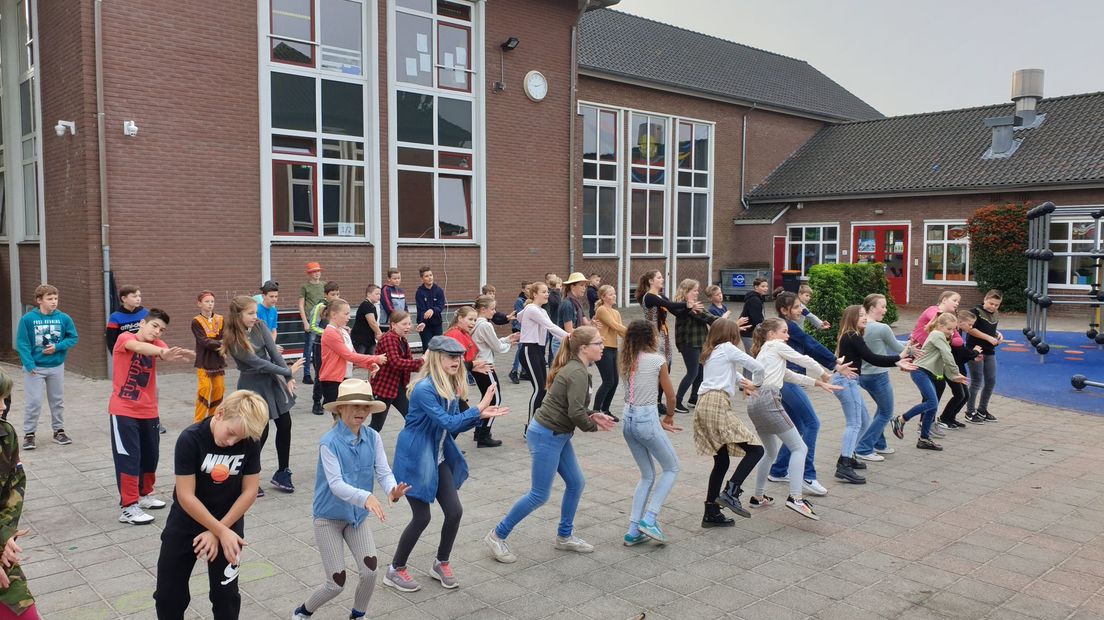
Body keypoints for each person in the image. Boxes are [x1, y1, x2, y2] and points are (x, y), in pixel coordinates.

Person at [385, 337, 508, 592]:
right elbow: (450, 423)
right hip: (416, 458)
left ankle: (441, 563)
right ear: (436, 358)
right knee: (422, 517)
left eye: (459, 357)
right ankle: (395, 569)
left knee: (454, 511)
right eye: (451, 356)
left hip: (437, 454)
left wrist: (478, 415)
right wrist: (478, 409)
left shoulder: (449, 385)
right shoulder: (424, 389)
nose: (457, 361)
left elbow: (454, 423)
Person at [485, 327, 614, 564]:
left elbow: (573, 407)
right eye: (598, 342)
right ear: (584, 348)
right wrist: (593, 425)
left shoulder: (579, 369)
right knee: (539, 495)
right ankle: (496, 535)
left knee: (576, 483)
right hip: (547, 434)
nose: (602, 346)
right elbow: (575, 412)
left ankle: (564, 536)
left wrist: (593, 414)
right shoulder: (576, 372)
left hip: (557, 433)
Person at [292, 379, 411, 620]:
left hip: (357, 518)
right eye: (354, 406)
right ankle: (302, 612)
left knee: (370, 572)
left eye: (366, 407)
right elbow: (336, 485)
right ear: (339, 408)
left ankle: (358, 615)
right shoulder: (329, 442)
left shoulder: (373, 437)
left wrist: (391, 490)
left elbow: (383, 470)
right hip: (328, 519)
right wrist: (366, 496)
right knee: (336, 583)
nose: (361, 412)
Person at [152, 390, 269, 620]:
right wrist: (220, 531)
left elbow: (250, 491)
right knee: (169, 596)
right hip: (186, 522)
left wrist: (221, 532)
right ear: (220, 413)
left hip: (228, 523)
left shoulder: (249, 442)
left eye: (239, 438)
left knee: (226, 598)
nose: (232, 442)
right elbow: (186, 496)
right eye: (231, 433)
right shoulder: (190, 439)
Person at [110, 308, 196, 524]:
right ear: (142, 324)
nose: (158, 332)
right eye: (154, 326)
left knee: (150, 456)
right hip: (123, 410)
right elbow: (138, 347)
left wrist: (180, 353)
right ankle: (128, 507)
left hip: (149, 411)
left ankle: (144, 495)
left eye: (162, 329)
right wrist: (162, 353)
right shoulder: (125, 337)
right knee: (129, 458)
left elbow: (164, 351)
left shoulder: (158, 345)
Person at [751, 319, 840, 520]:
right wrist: (824, 373)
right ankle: (796, 498)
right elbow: (804, 359)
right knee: (800, 448)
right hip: (769, 400)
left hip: (754, 403)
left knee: (771, 451)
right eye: (784, 331)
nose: (787, 336)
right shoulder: (776, 345)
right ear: (772, 334)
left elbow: (790, 375)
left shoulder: (764, 351)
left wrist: (817, 383)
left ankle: (758, 496)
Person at [768, 292, 855, 497]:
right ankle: (807, 476)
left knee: (797, 426)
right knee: (812, 424)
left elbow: (808, 347)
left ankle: (779, 470)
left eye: (800, 307)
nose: (801, 311)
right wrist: (833, 364)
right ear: (784, 310)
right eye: (797, 307)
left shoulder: (787, 325)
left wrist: (831, 363)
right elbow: (809, 344)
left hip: (785, 380)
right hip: (787, 381)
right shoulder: (786, 327)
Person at [222, 295, 304, 494]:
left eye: (255, 312)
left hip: (272, 382)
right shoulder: (233, 337)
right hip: (252, 385)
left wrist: (288, 378)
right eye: (250, 313)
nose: (254, 316)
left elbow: (274, 354)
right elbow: (256, 362)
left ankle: (283, 472)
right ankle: (246, 474)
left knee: (285, 424)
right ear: (238, 314)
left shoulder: (259, 326)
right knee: (260, 432)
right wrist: (287, 372)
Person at [831, 305, 916, 484]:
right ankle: (844, 465)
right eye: (861, 315)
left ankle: (850, 455)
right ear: (852, 318)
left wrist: (897, 361)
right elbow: (872, 358)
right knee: (854, 424)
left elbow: (869, 357)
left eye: (864, 315)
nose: (864, 318)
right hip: (846, 382)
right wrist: (898, 360)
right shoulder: (853, 336)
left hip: (848, 381)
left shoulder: (852, 335)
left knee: (863, 421)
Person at [693, 319, 765, 526]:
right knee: (756, 450)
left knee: (722, 460)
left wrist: (745, 385)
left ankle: (711, 513)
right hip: (716, 404)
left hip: (704, 405)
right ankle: (731, 492)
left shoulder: (712, 351)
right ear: (731, 336)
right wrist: (756, 383)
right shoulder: (727, 348)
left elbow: (731, 374)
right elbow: (757, 366)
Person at [618, 321, 681, 544]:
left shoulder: (626, 359)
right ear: (651, 338)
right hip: (646, 418)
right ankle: (650, 518)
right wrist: (669, 416)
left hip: (628, 418)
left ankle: (633, 530)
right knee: (672, 468)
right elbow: (671, 396)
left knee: (647, 475)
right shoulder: (657, 360)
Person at [893, 312, 969, 451]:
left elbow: (942, 361)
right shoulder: (937, 335)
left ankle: (924, 439)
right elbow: (947, 355)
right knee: (932, 402)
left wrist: (953, 376)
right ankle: (901, 419)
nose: (951, 332)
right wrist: (955, 372)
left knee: (932, 407)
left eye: (954, 329)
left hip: (929, 373)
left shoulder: (942, 337)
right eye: (949, 329)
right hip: (920, 372)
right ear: (940, 325)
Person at [16, 284, 79, 451]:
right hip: (34, 368)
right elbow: (22, 343)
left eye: (56, 298)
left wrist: (58, 348)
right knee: (34, 402)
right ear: (39, 300)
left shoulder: (64, 318)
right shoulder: (27, 319)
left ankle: (58, 431)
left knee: (57, 400)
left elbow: (73, 337)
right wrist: (29, 364)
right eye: (49, 299)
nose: (54, 302)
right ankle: (29, 434)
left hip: (56, 367)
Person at [0, 371, 39, 620]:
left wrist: (5, 538)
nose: (3, 407)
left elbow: (15, 486)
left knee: (24, 612)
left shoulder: (5, 434)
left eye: (5, 398)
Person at [855, 294, 909, 462]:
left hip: (863, 376)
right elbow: (898, 349)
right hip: (878, 375)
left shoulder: (859, 326)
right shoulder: (882, 328)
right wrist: (914, 346)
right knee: (886, 412)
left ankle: (879, 443)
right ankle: (864, 448)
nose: (885, 310)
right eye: (883, 306)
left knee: (882, 408)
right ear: (871, 308)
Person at [318, 298, 387, 412]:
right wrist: (375, 358)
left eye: (349, 313)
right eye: (345, 314)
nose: (349, 317)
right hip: (333, 381)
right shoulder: (330, 332)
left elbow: (354, 356)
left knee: (344, 419)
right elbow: (348, 355)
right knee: (342, 418)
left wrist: (370, 365)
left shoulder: (343, 331)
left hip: (344, 379)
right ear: (334, 315)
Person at [517, 282, 568, 432]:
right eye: (544, 292)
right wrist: (571, 336)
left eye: (547, 291)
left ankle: (538, 423)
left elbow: (520, 317)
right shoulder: (532, 309)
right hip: (529, 350)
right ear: (534, 294)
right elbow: (550, 327)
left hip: (538, 351)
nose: (547, 294)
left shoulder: (538, 310)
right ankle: (530, 427)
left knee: (543, 388)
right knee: (539, 389)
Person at [672, 278, 729, 413]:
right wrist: (725, 320)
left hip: (700, 342)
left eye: (697, 290)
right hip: (689, 342)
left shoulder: (694, 305)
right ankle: (676, 401)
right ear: (686, 291)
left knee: (700, 372)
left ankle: (693, 399)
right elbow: (709, 318)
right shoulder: (683, 306)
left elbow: (707, 316)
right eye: (694, 290)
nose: (697, 293)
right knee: (692, 373)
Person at [472, 296, 520, 448]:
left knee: (485, 398)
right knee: (494, 400)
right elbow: (496, 347)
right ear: (483, 309)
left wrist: (507, 339)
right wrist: (509, 343)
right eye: (492, 309)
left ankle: (479, 430)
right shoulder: (485, 325)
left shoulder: (474, 323)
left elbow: (490, 343)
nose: (494, 312)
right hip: (486, 365)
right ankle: (484, 435)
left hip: (477, 365)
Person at [371, 310, 424, 433]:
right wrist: (421, 361)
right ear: (393, 325)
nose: (408, 327)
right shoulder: (388, 338)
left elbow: (410, 363)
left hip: (399, 387)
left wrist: (426, 366)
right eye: (404, 324)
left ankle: (416, 445)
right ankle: (359, 447)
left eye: (409, 324)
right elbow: (396, 362)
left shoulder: (402, 340)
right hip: (385, 388)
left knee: (413, 418)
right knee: (376, 425)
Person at [637, 270, 701, 369]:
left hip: (664, 335)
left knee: (668, 365)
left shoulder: (661, 296)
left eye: (662, 277)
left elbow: (677, 313)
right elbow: (669, 305)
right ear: (651, 281)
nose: (662, 279)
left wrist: (690, 309)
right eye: (659, 277)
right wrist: (686, 304)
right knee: (657, 367)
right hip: (653, 335)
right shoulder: (649, 297)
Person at [965, 289, 1004, 423]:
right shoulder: (975, 312)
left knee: (991, 380)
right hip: (975, 350)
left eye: (996, 305)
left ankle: (982, 410)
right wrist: (988, 337)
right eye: (991, 303)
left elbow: (990, 328)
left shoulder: (995, 314)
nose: (993, 307)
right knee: (976, 381)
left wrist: (998, 334)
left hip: (990, 350)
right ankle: (969, 411)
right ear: (985, 299)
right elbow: (970, 329)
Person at [939, 310, 980, 429]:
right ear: (960, 322)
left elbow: (962, 354)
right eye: (970, 324)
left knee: (965, 395)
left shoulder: (959, 333)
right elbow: (961, 351)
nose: (971, 327)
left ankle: (951, 417)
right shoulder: (953, 334)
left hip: (958, 367)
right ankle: (944, 418)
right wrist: (975, 352)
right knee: (959, 395)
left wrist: (973, 355)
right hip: (951, 369)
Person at [192, 291, 227, 423]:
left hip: (217, 360)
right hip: (204, 360)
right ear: (199, 304)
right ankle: (199, 420)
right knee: (204, 389)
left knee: (219, 388)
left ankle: (213, 418)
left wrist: (223, 343)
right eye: (207, 301)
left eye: (212, 301)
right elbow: (203, 341)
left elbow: (224, 336)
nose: (210, 304)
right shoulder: (196, 321)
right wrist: (221, 344)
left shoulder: (221, 319)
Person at [592, 285, 626, 421]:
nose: (614, 296)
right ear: (603, 297)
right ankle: (595, 411)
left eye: (614, 293)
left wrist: (633, 340)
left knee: (615, 381)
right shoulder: (601, 310)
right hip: (602, 347)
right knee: (608, 381)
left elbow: (620, 331)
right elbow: (615, 326)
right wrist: (635, 332)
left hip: (613, 348)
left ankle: (605, 409)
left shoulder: (616, 312)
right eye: (610, 294)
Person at [308, 282, 342, 415]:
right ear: (326, 295)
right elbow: (313, 326)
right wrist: (328, 332)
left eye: (338, 294)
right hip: (320, 345)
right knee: (319, 374)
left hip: (333, 345)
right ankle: (316, 402)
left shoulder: (338, 307)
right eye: (333, 294)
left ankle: (327, 400)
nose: (336, 297)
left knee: (332, 372)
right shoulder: (320, 307)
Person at [298, 263, 325, 384]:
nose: (317, 273)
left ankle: (320, 373)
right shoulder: (305, 287)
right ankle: (307, 374)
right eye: (314, 271)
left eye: (318, 271)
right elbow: (301, 305)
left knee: (321, 347)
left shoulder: (324, 285)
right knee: (308, 348)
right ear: (309, 273)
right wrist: (305, 322)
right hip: (311, 320)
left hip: (322, 320)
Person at [105, 284, 147, 354]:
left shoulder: (146, 313)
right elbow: (110, 340)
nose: (138, 299)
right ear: (124, 299)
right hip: (125, 355)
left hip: (144, 353)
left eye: (139, 296)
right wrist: (116, 355)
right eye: (134, 296)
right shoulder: (115, 317)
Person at [415, 266, 447, 348]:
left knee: (439, 348)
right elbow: (421, 309)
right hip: (425, 326)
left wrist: (433, 310)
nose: (430, 278)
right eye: (426, 276)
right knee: (428, 348)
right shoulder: (419, 292)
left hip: (437, 324)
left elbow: (441, 305)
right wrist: (422, 322)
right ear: (422, 278)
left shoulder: (439, 290)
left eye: (431, 275)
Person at [351, 285, 384, 356]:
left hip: (369, 339)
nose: (379, 296)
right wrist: (379, 333)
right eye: (377, 294)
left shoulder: (372, 306)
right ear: (368, 294)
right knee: (358, 360)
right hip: (360, 339)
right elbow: (372, 322)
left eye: (380, 294)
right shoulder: (366, 305)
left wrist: (376, 334)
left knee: (372, 360)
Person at [508, 282, 530, 384]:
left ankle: (524, 372)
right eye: (528, 289)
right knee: (521, 349)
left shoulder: (532, 300)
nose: (530, 291)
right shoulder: (520, 301)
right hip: (519, 328)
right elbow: (522, 315)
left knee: (526, 349)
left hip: (528, 329)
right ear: (523, 290)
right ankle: (514, 371)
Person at [738, 278, 769, 350]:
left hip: (750, 331)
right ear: (756, 287)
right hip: (748, 331)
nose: (766, 288)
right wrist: (765, 328)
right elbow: (757, 318)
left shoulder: (757, 298)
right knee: (752, 354)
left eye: (766, 286)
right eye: (763, 286)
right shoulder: (754, 300)